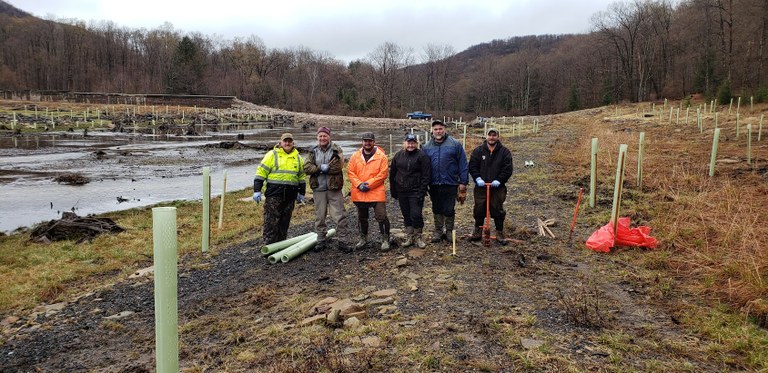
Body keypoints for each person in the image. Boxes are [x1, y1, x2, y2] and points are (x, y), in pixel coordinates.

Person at [253, 133, 307, 245]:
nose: (287, 143)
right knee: (271, 223)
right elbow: (261, 173)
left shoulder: (298, 158)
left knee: (284, 222)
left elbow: (301, 177)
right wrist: (257, 190)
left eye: (289, 141)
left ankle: (281, 246)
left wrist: (301, 192)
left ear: (293, 143)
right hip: (274, 195)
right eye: (285, 141)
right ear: (281, 142)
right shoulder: (272, 155)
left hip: (290, 196)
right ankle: (269, 247)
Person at [422, 119, 469, 243]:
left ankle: (449, 231)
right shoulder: (426, 147)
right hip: (434, 184)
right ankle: (438, 231)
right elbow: (422, 166)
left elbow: (463, 164)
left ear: (444, 130)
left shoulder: (455, 144)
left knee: (449, 208)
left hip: (451, 182)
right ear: (432, 131)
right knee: (436, 208)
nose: (438, 131)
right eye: (436, 129)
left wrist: (463, 182)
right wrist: (423, 183)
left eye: (440, 129)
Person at [304, 126, 348, 251]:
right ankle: (321, 240)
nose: (323, 138)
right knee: (320, 217)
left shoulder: (336, 149)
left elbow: (337, 167)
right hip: (318, 189)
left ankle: (343, 241)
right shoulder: (312, 151)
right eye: (320, 136)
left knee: (340, 216)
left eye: (325, 136)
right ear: (317, 137)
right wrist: (319, 168)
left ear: (329, 137)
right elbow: (306, 168)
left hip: (334, 188)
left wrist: (323, 169)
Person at [468, 128, 513, 245]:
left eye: (494, 135)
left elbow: (507, 169)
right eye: (490, 135)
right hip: (481, 187)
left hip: (498, 187)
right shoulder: (478, 151)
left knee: (497, 208)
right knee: (479, 208)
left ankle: (499, 232)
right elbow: (472, 166)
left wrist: (499, 180)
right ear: (486, 136)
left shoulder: (504, 152)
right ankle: (478, 231)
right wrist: (477, 178)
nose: (492, 137)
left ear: (498, 137)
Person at [347, 132, 391, 251]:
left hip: (376, 192)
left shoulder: (381, 156)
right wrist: (359, 184)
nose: (367, 143)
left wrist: (369, 184)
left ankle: (385, 239)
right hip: (359, 192)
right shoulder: (355, 156)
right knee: (362, 217)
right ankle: (363, 238)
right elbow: (350, 172)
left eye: (370, 141)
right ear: (362, 142)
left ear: (374, 142)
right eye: (365, 141)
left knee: (381, 216)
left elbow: (383, 174)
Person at [390, 133, 432, 248]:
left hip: (416, 191)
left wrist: (422, 191)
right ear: (405, 143)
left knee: (416, 214)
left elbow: (426, 175)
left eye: (413, 143)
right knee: (406, 214)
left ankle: (418, 236)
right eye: (409, 143)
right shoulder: (398, 156)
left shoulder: (422, 156)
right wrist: (393, 190)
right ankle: (409, 235)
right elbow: (392, 173)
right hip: (401, 190)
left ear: (416, 144)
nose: (411, 145)